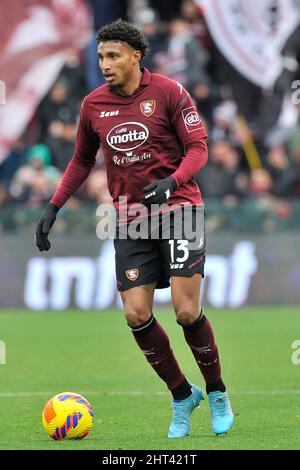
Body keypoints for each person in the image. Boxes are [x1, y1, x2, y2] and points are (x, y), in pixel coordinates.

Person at [35, 19, 234, 438]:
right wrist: (54, 206)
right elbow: (81, 160)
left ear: (135, 55)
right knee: (135, 313)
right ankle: (182, 395)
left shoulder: (169, 92)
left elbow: (199, 147)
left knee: (185, 311)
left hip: (180, 210)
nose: (105, 64)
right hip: (128, 219)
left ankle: (216, 390)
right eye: (101, 56)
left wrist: (172, 182)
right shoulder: (93, 105)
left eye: (113, 55)